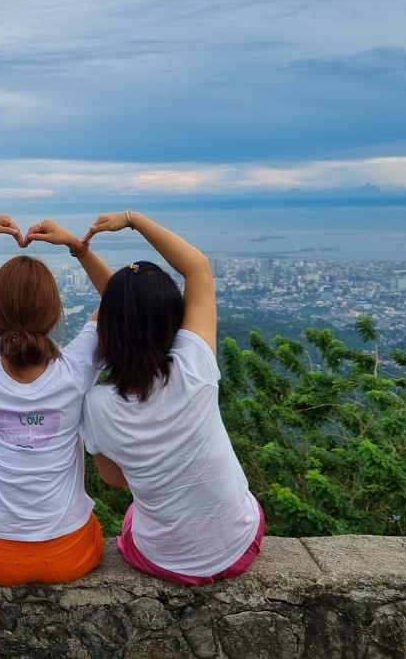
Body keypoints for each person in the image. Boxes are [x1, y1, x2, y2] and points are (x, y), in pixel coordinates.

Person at [77, 209, 264, 584]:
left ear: (107, 327)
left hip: (165, 560)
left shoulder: (97, 405)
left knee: (134, 516)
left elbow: (115, 479)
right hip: (241, 545)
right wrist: (132, 219)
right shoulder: (195, 363)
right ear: (173, 317)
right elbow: (197, 268)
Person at [0, 215, 112, 585]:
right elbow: (122, 297)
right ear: (55, 313)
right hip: (71, 553)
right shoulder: (75, 368)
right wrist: (77, 246)